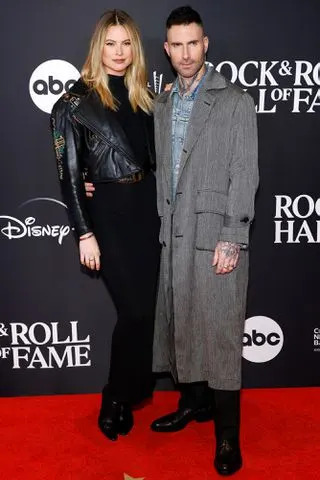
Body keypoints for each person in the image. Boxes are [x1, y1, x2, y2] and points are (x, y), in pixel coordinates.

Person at [150, 6, 259, 476]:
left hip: (215, 234)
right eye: (177, 44)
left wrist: (232, 236)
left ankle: (228, 437)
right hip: (174, 234)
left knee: (218, 335)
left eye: (193, 43)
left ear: (206, 43)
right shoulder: (162, 101)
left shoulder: (234, 100)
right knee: (181, 325)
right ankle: (195, 404)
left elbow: (244, 172)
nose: (186, 53)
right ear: (167, 49)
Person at [50, 9, 160, 442]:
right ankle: (115, 396)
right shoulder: (72, 104)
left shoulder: (145, 98)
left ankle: (133, 391)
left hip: (148, 212)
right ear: (99, 47)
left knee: (148, 313)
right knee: (134, 311)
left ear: (135, 48)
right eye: (110, 44)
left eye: (126, 43)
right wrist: (84, 232)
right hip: (109, 217)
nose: (119, 53)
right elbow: (68, 175)